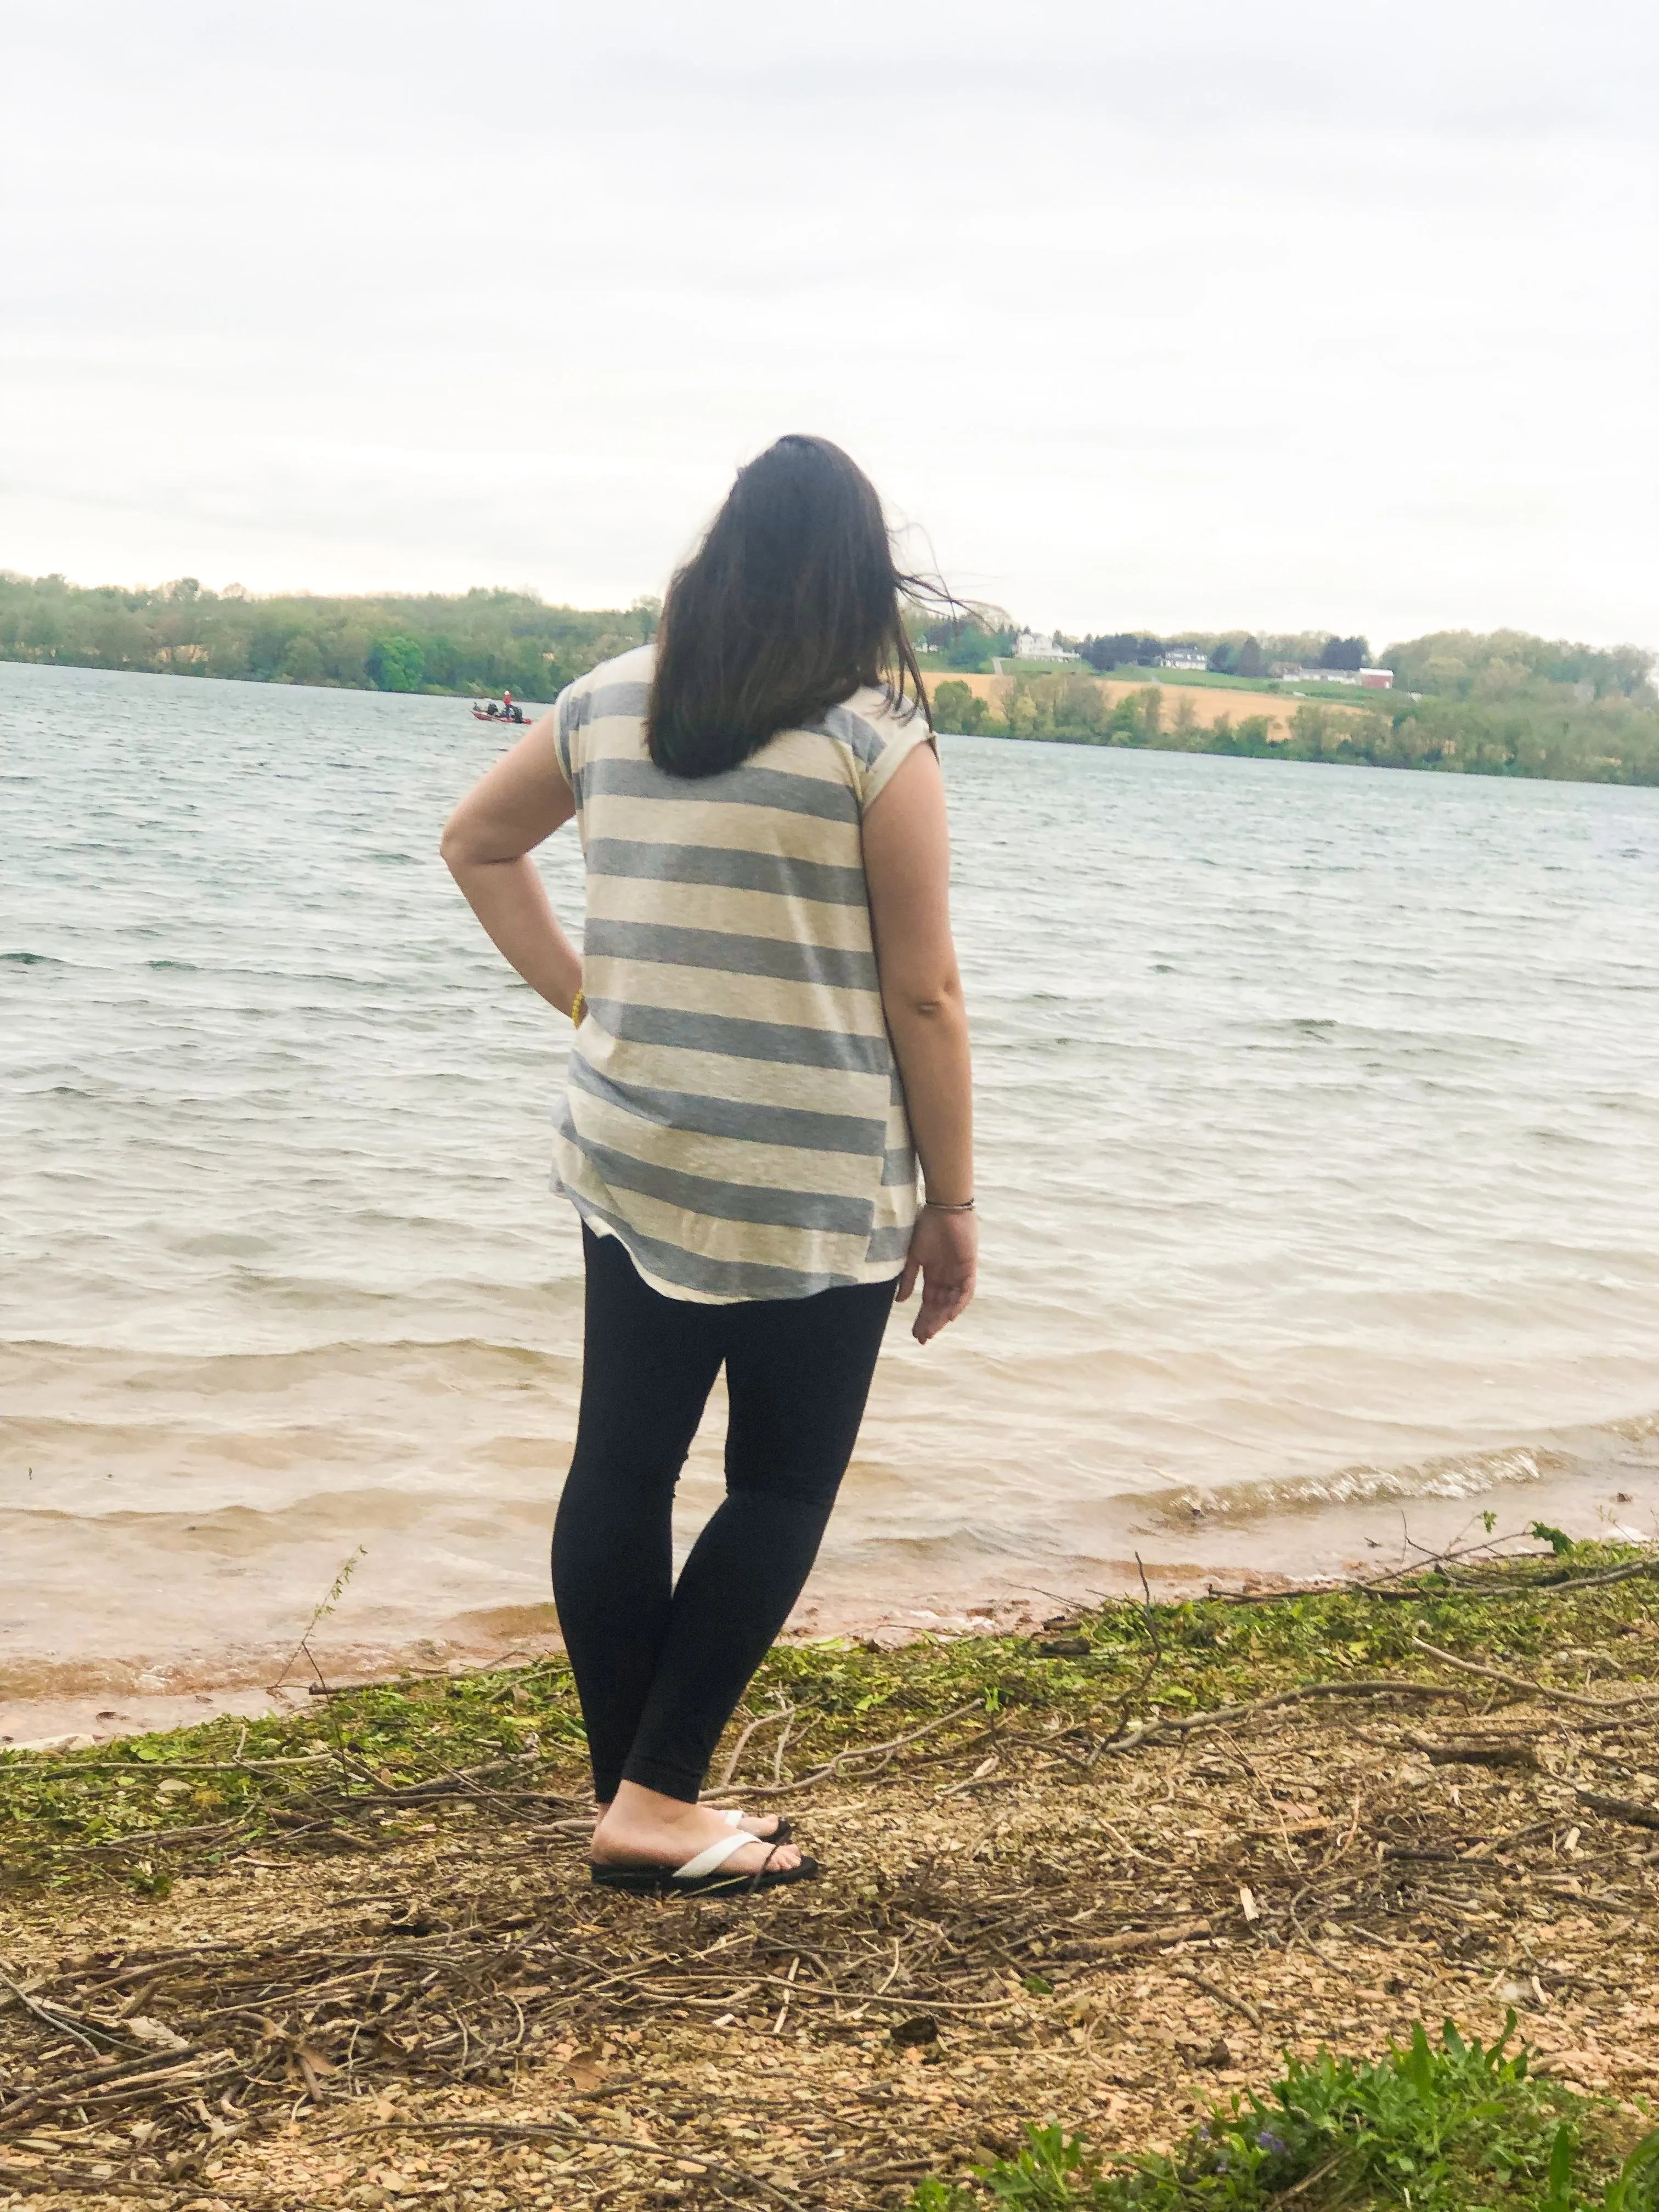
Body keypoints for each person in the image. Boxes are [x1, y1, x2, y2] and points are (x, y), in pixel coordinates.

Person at [441, 434, 976, 1895]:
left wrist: (584, 998)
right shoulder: (871, 739)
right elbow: (925, 993)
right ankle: (655, 1798)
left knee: (619, 1467)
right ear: (861, 582)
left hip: (637, 1150)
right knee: (779, 1485)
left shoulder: (613, 698)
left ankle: (642, 1794)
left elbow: (477, 844)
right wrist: (957, 1202)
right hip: (811, 1184)